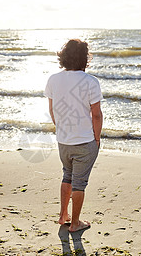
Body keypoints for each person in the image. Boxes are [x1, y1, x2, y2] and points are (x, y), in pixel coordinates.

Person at [45, 39, 103, 233]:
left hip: (63, 140)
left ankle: (63, 216)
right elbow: (96, 114)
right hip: (84, 140)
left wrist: (61, 129)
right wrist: (97, 138)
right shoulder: (90, 81)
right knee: (79, 183)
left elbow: (53, 110)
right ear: (84, 58)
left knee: (67, 176)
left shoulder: (53, 79)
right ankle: (75, 223)